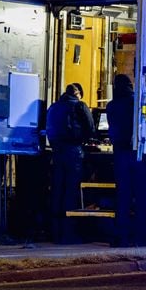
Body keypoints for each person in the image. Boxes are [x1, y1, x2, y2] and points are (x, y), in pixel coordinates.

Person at [45, 83, 96, 242]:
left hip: (56, 152)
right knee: (71, 191)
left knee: (57, 190)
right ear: (78, 94)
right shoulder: (80, 106)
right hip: (73, 152)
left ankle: (55, 232)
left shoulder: (53, 107)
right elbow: (90, 128)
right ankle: (69, 234)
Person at [106, 74, 141, 246]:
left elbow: (112, 129)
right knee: (139, 195)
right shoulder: (137, 102)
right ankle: (139, 235)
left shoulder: (111, 106)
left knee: (123, 195)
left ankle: (122, 235)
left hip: (120, 154)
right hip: (137, 152)